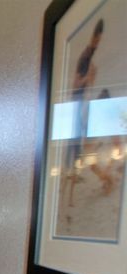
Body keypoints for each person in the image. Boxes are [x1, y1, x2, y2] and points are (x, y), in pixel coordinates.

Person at [61, 19, 104, 207]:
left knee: (76, 157)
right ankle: (65, 193)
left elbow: (87, 89)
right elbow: (75, 86)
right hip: (74, 116)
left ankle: (68, 195)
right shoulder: (84, 58)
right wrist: (88, 77)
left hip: (80, 115)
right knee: (70, 156)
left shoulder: (89, 60)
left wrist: (91, 79)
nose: (97, 42)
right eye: (97, 39)